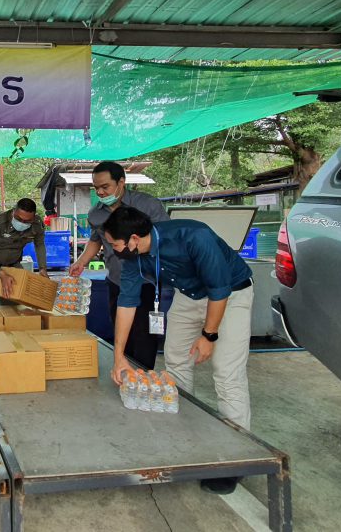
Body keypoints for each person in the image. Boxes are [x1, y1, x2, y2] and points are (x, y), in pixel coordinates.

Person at [105, 206, 254, 495]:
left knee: (227, 375)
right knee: (175, 365)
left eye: (114, 244)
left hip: (231, 294)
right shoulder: (133, 258)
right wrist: (119, 356)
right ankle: (182, 444)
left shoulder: (194, 236)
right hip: (189, 296)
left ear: (134, 239)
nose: (112, 249)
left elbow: (219, 289)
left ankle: (236, 460)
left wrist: (209, 335)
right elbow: (127, 302)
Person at [68, 161, 168, 368]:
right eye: (96, 188)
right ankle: (124, 369)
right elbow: (96, 240)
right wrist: (81, 262)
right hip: (116, 280)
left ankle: (142, 376)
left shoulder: (148, 205)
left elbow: (166, 238)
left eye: (105, 187)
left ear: (121, 182)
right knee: (122, 331)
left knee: (143, 336)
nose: (100, 192)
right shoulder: (96, 214)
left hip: (146, 281)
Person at [0, 198, 47, 305]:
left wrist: (42, 268)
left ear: (33, 217)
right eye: (18, 218)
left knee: (13, 309)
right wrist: (2, 274)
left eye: (27, 221)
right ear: (13, 211)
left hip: (13, 267)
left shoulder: (37, 224)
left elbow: (39, 245)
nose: (22, 223)